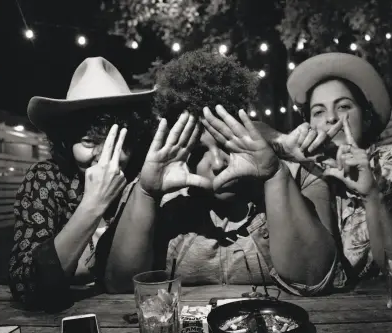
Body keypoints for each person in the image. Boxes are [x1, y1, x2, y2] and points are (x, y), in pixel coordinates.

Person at [108, 49, 338, 295]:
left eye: (225, 144)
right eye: (199, 151)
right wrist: (146, 193)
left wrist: (274, 176)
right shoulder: (159, 193)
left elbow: (314, 278)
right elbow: (121, 287)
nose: (218, 163)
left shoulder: (297, 176)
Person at [273, 52, 392, 287]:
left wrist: (371, 195)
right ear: (308, 123)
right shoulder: (301, 170)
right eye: (318, 111)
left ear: (366, 117)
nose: (331, 118)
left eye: (343, 107)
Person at [9, 56, 156, 309]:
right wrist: (94, 203)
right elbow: (26, 285)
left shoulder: (145, 180)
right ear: (66, 141)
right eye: (89, 141)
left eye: (117, 143)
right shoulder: (45, 179)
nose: (104, 159)